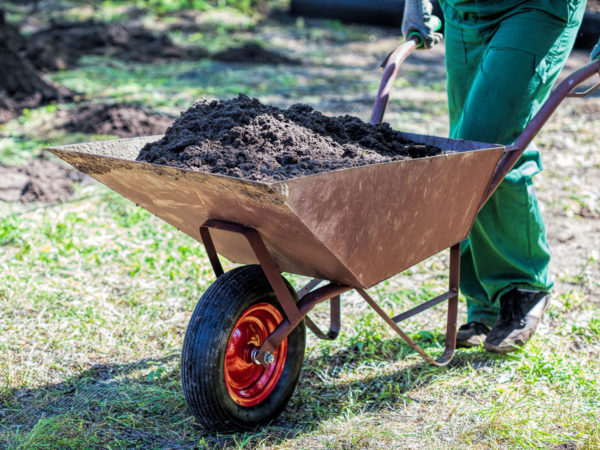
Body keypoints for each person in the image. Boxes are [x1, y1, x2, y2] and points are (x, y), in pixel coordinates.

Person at [402, 0, 598, 353]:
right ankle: (486, 301)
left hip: (534, 7)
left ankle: (522, 287)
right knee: (462, 150)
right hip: (463, 11)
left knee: (488, 148)